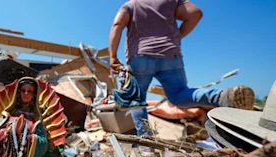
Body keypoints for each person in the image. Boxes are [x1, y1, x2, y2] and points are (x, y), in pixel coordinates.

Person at [109, 0, 255, 136]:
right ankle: (220, 96)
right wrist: (177, 37)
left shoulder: (131, 4)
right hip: (170, 55)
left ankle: (146, 140)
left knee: (137, 100)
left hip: (141, 55)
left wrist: (113, 56)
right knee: (179, 94)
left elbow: (117, 24)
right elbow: (195, 13)